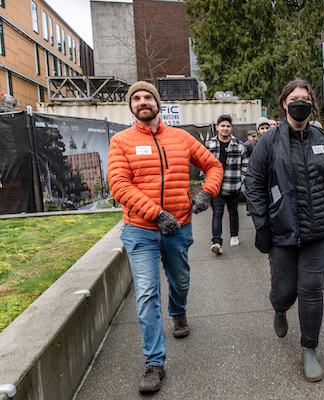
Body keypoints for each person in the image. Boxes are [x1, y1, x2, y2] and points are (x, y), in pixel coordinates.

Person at [108, 81, 223, 394]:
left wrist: (207, 193)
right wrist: (156, 214)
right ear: (131, 106)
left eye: (148, 97)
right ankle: (154, 363)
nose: (143, 101)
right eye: (137, 98)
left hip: (180, 227)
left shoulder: (181, 138)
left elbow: (213, 166)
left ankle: (179, 311)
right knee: (146, 294)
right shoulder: (121, 141)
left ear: (157, 103)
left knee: (180, 281)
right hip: (140, 230)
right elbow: (119, 185)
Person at [245, 79, 324, 382]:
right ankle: (280, 309)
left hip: (321, 231)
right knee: (285, 292)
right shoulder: (267, 142)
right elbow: (254, 184)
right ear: (283, 103)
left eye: (306, 98)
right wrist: (261, 225)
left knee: (310, 291)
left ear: (312, 104)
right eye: (294, 98)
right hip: (282, 231)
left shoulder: (323, 138)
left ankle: (309, 349)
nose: (301, 103)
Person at [205, 114, 249, 254]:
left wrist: (240, 180)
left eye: (228, 126)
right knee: (217, 213)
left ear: (231, 128)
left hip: (233, 185)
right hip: (215, 186)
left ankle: (234, 235)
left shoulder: (240, 145)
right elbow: (203, 165)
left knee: (233, 212)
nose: (225, 128)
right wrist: (205, 183)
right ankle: (216, 242)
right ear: (217, 127)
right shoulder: (209, 144)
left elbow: (246, 166)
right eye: (222, 126)